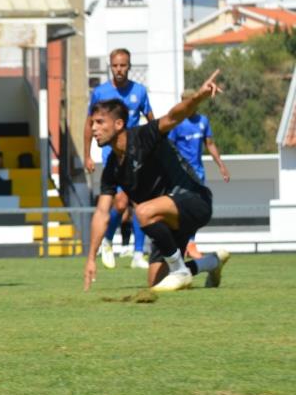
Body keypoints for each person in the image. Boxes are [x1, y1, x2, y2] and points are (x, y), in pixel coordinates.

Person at [84, 70, 231, 293]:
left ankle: (180, 271)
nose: (93, 128)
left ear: (118, 124)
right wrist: (91, 258)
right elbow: (102, 213)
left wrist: (199, 96)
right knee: (156, 283)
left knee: (142, 211)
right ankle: (211, 263)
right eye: (92, 123)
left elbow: (174, 116)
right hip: (163, 218)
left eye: (99, 122)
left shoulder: (144, 136)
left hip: (194, 200)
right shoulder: (112, 167)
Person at [84, 49, 155, 271]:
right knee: (122, 202)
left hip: (137, 154)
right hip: (112, 155)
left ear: (129, 66)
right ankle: (107, 240)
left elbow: (152, 121)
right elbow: (89, 124)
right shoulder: (101, 92)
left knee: (139, 203)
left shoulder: (140, 92)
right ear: (110, 66)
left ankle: (137, 254)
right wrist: (87, 155)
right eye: (115, 66)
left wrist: (155, 146)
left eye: (123, 65)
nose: (119, 70)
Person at [167, 90, 231, 259]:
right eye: (184, 102)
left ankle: (191, 243)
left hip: (198, 173)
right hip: (180, 175)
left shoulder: (203, 121)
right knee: (180, 209)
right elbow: (169, 148)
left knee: (198, 208)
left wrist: (221, 166)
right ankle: (182, 244)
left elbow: (210, 144)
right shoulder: (177, 124)